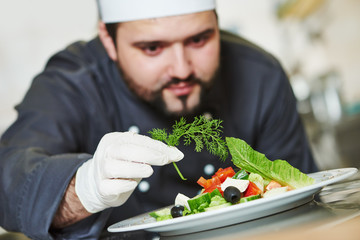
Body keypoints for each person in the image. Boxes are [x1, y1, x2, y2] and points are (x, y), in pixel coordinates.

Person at [0, 0, 318, 239]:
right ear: (108, 40)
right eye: (152, 47)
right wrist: (81, 189)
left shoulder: (259, 75)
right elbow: (7, 177)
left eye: (199, 39)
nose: (181, 68)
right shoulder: (73, 82)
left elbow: (303, 204)